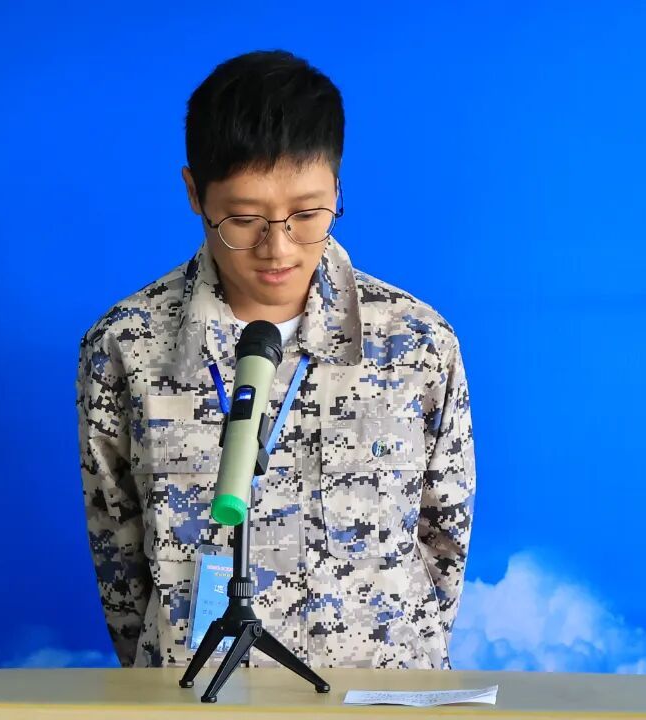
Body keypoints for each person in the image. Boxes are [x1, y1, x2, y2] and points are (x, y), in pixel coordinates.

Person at [76, 49, 475, 671]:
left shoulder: (417, 343)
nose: (278, 248)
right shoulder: (126, 348)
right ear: (194, 193)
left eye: (307, 214)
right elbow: (120, 562)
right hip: (199, 699)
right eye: (244, 219)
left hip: (375, 700)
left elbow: (442, 544)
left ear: (337, 189)